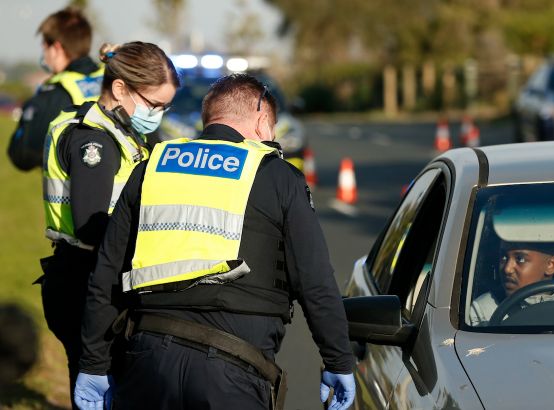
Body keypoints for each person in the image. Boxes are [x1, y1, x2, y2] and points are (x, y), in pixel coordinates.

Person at [74, 73, 355, 410]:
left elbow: (105, 275)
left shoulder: (151, 170)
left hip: (147, 361)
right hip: (234, 370)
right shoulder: (278, 177)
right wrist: (338, 361)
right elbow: (315, 282)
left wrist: (93, 363)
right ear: (263, 119)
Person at [39, 41, 179, 409]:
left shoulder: (120, 130)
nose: (159, 115)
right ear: (120, 89)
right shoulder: (94, 143)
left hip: (93, 278)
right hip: (87, 283)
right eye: (155, 105)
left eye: (166, 106)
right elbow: (92, 226)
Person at [7, 7, 103, 171]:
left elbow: (22, 155)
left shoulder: (54, 94)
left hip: (75, 192)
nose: (44, 54)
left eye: (45, 46)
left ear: (57, 48)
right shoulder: (113, 78)